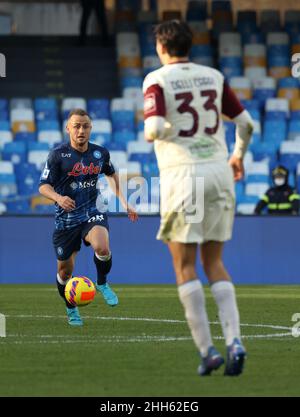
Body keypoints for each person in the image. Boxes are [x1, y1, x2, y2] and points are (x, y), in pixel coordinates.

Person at [143, 20, 254, 376]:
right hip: (220, 171)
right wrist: (237, 155)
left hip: (184, 176)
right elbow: (247, 123)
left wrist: (160, 131)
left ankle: (208, 351)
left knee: (184, 266)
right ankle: (235, 340)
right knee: (215, 262)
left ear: (161, 48)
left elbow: (154, 128)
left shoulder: (157, 80)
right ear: (191, 46)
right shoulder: (214, 77)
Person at [39, 108, 138, 326]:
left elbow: (111, 174)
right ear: (68, 129)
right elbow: (43, 186)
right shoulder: (57, 155)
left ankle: (102, 283)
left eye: (85, 126)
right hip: (66, 219)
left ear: (91, 128)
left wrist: (124, 201)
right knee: (65, 272)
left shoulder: (100, 153)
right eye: (76, 126)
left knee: (102, 247)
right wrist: (58, 197)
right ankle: (71, 308)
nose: (81, 130)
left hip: (93, 210)